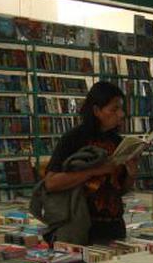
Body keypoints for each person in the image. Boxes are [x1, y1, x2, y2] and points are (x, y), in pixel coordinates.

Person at [44, 81, 136, 243]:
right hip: (81, 227)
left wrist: (132, 173)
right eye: (114, 109)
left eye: (121, 109)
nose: (121, 114)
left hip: (114, 227)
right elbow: (51, 183)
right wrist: (94, 171)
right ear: (96, 111)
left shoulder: (117, 142)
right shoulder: (74, 139)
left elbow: (120, 190)